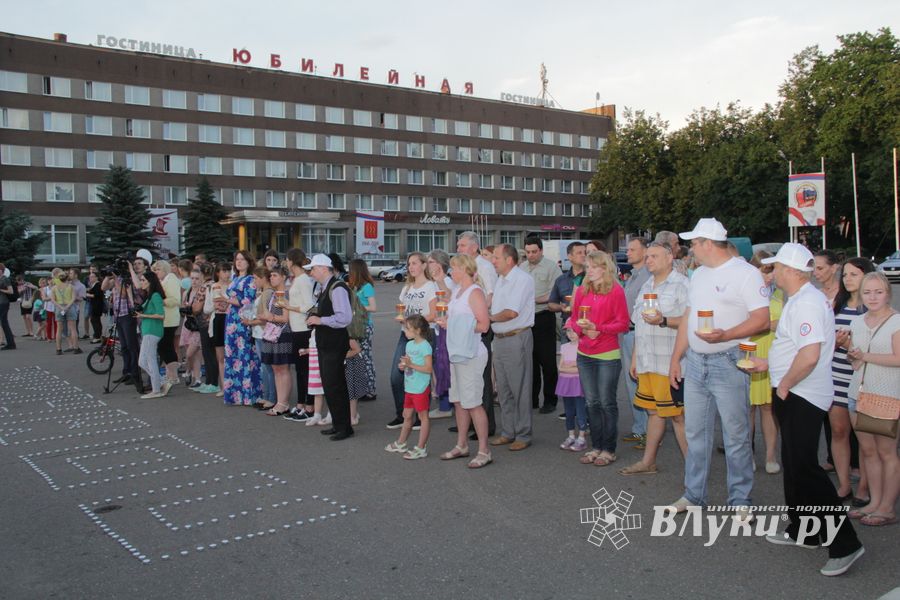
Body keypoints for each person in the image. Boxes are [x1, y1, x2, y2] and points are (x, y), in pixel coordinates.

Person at [744, 243, 864, 577]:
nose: (773, 272)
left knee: (806, 469)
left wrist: (783, 385)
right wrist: (767, 364)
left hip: (802, 394)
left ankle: (846, 545)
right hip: (793, 390)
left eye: (776, 267)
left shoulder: (807, 303)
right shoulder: (799, 300)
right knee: (796, 468)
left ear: (793, 271)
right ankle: (804, 530)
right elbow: (795, 349)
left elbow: (810, 355)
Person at [666, 218, 769, 521]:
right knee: (696, 432)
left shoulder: (746, 274)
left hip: (729, 360)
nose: (691, 249)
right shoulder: (698, 274)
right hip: (696, 361)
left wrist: (727, 334)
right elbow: (688, 317)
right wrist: (676, 357)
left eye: (694, 243)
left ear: (708, 244)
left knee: (735, 434)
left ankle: (740, 498)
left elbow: (761, 319)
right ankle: (694, 494)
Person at [619, 241, 689, 476]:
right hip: (649, 361)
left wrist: (664, 319)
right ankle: (648, 461)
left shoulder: (681, 285)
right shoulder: (646, 284)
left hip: (669, 363)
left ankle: (694, 470)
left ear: (670, 258)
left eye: (654, 256)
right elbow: (639, 324)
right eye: (647, 256)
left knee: (678, 416)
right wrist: (636, 358)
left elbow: (691, 321)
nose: (648, 260)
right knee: (653, 412)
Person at [847, 272, 900, 527]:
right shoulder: (857, 323)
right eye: (868, 292)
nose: (873, 297)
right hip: (857, 394)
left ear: (887, 293)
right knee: (868, 452)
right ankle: (874, 502)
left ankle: (887, 507)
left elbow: (898, 359)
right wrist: (853, 354)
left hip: (888, 395)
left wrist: (864, 356)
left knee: (887, 452)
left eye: (878, 292)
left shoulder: (896, 322)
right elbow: (856, 362)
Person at [568, 251, 630, 466]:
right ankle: (596, 446)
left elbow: (623, 323)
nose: (589, 270)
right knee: (591, 402)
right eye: (588, 266)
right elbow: (575, 318)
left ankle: (609, 449)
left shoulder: (616, 291)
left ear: (605, 268)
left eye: (594, 266)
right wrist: (576, 331)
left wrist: (599, 329)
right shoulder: (584, 289)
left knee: (606, 402)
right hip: (584, 353)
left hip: (607, 354)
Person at [437, 254, 493, 468]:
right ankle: (462, 445)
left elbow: (484, 325)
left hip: (471, 353)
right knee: (459, 401)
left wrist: (457, 327)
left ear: (463, 269)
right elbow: (459, 321)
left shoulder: (474, 292)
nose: (451, 272)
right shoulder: (458, 292)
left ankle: (484, 450)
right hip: (457, 352)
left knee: (473, 403)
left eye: (454, 268)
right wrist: (448, 323)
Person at [829, 257, 873, 503]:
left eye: (854, 274)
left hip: (863, 377)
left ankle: (865, 488)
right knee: (838, 431)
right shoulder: (839, 304)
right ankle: (844, 485)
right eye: (845, 275)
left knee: (864, 439)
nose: (847, 279)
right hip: (837, 374)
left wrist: (850, 345)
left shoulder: (873, 308)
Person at [488, 244, 536, 452]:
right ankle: (508, 432)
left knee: (520, 388)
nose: (493, 261)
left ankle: (523, 433)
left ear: (509, 260)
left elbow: (511, 313)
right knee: (504, 389)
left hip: (516, 338)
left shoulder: (522, 279)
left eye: (496, 257)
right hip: (499, 338)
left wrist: (487, 318)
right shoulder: (501, 280)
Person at [305, 254, 354, 441]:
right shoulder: (326, 286)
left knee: (335, 385)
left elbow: (344, 318)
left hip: (334, 342)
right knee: (330, 384)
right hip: (326, 342)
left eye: (314, 269)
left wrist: (320, 319)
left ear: (324, 268)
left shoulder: (337, 287)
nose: (312, 272)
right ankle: (339, 425)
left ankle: (344, 427)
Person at [387, 252, 437, 429]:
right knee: (396, 375)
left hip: (424, 335)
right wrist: (402, 317)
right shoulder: (407, 287)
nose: (411, 267)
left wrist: (412, 320)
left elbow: (433, 314)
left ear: (424, 265)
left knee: (420, 376)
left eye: (415, 263)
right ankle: (403, 414)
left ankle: (419, 415)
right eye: (409, 264)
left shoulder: (431, 286)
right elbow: (402, 309)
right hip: (406, 335)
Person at [457, 231, 498, 437]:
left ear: (474, 247)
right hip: (465, 327)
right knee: (465, 376)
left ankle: (486, 423)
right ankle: (468, 420)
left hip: (479, 326)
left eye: (462, 245)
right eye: (458, 245)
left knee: (481, 377)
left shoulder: (484, 266)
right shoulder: (464, 267)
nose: (459, 249)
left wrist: (476, 312)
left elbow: (490, 294)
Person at [747, 251, 783, 475]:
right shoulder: (746, 292)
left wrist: (766, 324)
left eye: (771, 272)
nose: (768, 277)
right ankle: (747, 455)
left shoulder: (780, 293)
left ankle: (771, 455)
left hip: (772, 353)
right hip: (749, 352)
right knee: (748, 408)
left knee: (769, 407)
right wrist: (769, 324)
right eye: (764, 271)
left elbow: (785, 324)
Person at [522, 236, 563, 413]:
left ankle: (550, 400)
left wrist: (533, 299)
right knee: (530, 362)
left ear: (541, 250)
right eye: (527, 252)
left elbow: (555, 292)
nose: (530, 255)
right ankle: (532, 400)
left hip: (544, 316)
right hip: (527, 319)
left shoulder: (551, 267)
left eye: (534, 252)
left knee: (547, 362)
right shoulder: (522, 267)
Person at [385, 314, 433, 459]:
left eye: (407, 328)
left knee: (423, 417)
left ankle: (421, 447)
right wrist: (404, 365)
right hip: (410, 387)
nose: (404, 331)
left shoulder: (425, 346)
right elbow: (409, 363)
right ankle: (401, 443)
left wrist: (410, 365)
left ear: (417, 330)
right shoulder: (409, 344)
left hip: (420, 387)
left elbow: (428, 369)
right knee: (407, 415)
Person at [621, 237, 651, 448]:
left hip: (639, 333)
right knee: (632, 384)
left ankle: (650, 433)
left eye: (632, 249)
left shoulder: (648, 277)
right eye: (628, 249)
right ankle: (639, 428)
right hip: (627, 333)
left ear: (645, 251)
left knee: (642, 383)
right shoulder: (633, 276)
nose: (628, 253)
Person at [282, 249, 317, 422]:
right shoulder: (297, 279)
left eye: (287, 260)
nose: (286, 263)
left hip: (303, 329)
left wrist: (290, 307)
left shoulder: (303, 280)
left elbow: (308, 306)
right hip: (296, 328)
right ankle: (301, 404)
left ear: (292, 261)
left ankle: (309, 407)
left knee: (304, 369)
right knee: (300, 369)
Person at [223, 251, 260, 406]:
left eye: (242, 259)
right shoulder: (235, 278)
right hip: (231, 320)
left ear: (249, 262)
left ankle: (248, 395)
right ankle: (234, 394)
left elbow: (248, 300)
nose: (239, 262)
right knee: (233, 356)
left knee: (244, 356)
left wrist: (228, 299)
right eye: (237, 259)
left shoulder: (250, 279)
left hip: (242, 321)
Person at [258, 266, 294, 416]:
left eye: (275, 275)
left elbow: (286, 318)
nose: (271, 278)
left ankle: (283, 402)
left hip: (283, 334)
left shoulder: (285, 294)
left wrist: (269, 317)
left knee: (283, 368)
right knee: (275, 369)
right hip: (272, 334)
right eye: (271, 275)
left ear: (283, 277)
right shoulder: (273, 294)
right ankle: (280, 401)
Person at [347, 258, 378, 416]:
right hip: (355, 324)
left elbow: (373, 307)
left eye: (351, 270)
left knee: (365, 356)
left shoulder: (367, 287)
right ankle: (362, 387)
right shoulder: (353, 286)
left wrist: (357, 307)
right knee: (358, 356)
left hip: (365, 325)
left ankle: (370, 389)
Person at [426, 250, 454, 419]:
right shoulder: (431, 283)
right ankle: (445, 402)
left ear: (439, 264)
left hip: (447, 329)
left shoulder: (448, 281)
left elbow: (451, 298)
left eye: (430, 262)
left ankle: (446, 405)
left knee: (444, 366)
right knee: (438, 366)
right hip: (436, 328)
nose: (428, 265)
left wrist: (440, 281)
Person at [136, 269, 168, 399]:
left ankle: (156, 389)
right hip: (148, 331)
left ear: (150, 282)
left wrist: (143, 315)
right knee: (143, 361)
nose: (141, 282)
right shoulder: (150, 296)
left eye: (143, 280)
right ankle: (160, 382)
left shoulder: (155, 296)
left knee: (149, 360)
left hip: (152, 331)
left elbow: (161, 315)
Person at [549, 241, 587, 343]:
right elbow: (551, 304)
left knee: (587, 359)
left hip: (589, 327)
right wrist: (561, 307)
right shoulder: (561, 280)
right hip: (568, 327)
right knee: (568, 358)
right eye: (579, 253)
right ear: (570, 257)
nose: (584, 255)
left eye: (585, 253)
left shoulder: (593, 278)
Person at [152, 261, 182, 388]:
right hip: (163, 319)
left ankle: (173, 375)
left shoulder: (172, 280)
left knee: (165, 345)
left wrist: (160, 301)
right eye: (155, 270)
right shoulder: (163, 281)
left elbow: (175, 300)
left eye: (158, 269)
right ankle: (171, 374)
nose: (156, 272)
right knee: (164, 346)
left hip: (169, 319)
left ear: (165, 269)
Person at [557, 329, 587, 452]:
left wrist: (568, 366)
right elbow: (560, 367)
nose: (571, 334)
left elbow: (582, 369)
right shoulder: (564, 347)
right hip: (566, 382)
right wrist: (574, 366)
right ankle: (570, 436)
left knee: (580, 411)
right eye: (568, 331)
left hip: (578, 383)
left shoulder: (584, 346)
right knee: (568, 412)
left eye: (574, 331)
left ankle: (581, 438)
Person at [192, 263, 220, 395]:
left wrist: (191, 308)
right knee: (212, 353)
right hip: (212, 322)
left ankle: (211, 382)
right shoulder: (215, 284)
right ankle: (211, 381)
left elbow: (197, 307)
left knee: (208, 353)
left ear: (202, 274)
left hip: (204, 322)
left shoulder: (204, 287)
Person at [208, 262, 233, 396]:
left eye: (228, 271)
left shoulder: (233, 284)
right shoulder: (215, 286)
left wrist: (226, 302)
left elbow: (229, 303)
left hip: (231, 319)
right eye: (224, 271)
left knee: (232, 354)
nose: (226, 274)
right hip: (219, 319)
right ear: (218, 272)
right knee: (221, 355)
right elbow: (218, 304)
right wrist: (227, 301)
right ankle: (223, 387)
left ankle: (233, 384)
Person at [179, 268, 203, 389]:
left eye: (197, 278)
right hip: (188, 324)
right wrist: (184, 308)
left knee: (190, 353)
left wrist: (192, 309)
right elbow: (182, 310)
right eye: (192, 278)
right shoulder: (186, 292)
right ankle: (196, 378)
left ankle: (189, 372)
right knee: (194, 354)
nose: (194, 281)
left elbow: (201, 310)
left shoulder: (202, 292)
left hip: (198, 325)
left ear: (201, 279)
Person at [51, 268, 82, 355]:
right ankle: (76, 348)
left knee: (59, 329)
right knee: (73, 328)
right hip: (70, 307)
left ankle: (58, 349)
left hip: (59, 308)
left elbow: (53, 300)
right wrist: (67, 306)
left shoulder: (54, 288)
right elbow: (73, 298)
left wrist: (61, 307)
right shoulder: (71, 287)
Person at [0, 264, 17, 350]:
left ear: (1, 270)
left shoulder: (5, 279)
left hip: (3, 303)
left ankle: (11, 344)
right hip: (1, 303)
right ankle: (10, 343)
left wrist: (1, 289)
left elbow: (11, 291)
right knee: (3, 323)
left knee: (4, 323)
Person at [68, 268, 87, 341]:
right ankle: (71, 343)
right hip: (64, 307)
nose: (69, 275)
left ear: (76, 275)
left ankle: (75, 342)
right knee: (67, 326)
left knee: (74, 326)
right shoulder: (67, 284)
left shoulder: (81, 286)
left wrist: (73, 297)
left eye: (71, 273)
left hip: (74, 308)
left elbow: (82, 298)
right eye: (69, 273)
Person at [85, 272, 104, 342]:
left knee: (95, 320)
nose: (90, 278)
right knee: (95, 320)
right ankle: (98, 335)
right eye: (90, 277)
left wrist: (87, 294)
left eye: (92, 277)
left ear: (96, 277)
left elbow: (97, 295)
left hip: (97, 305)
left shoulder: (98, 284)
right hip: (95, 305)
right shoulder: (94, 285)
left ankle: (97, 336)